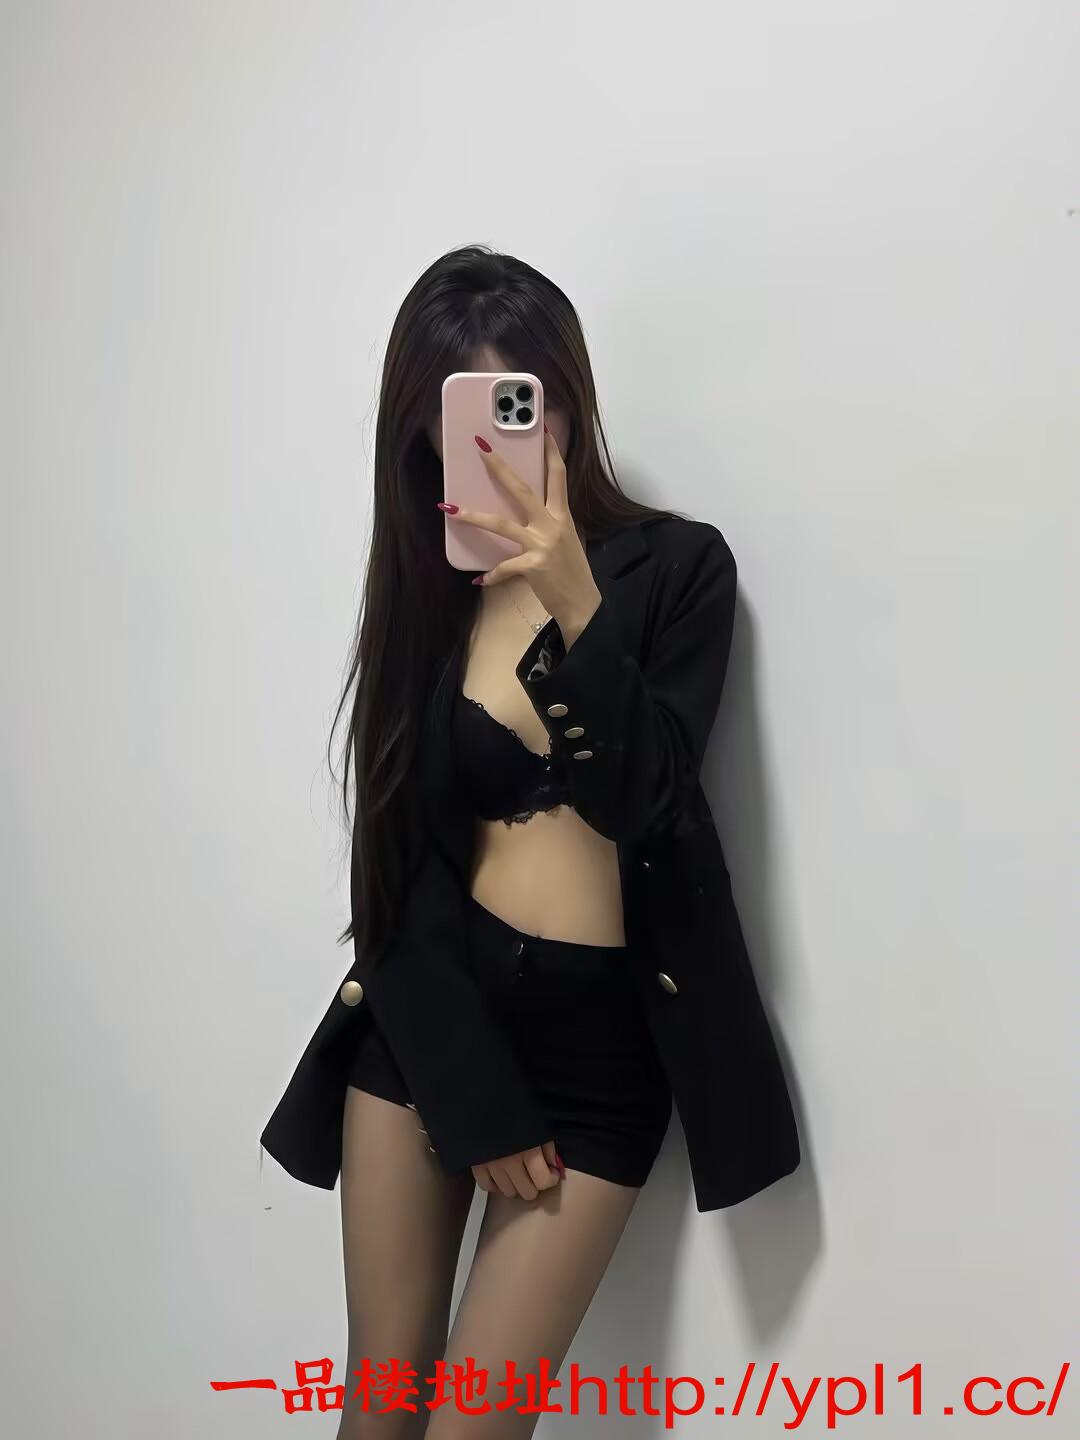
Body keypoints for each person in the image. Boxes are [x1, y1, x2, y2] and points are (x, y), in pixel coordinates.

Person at [260, 244, 800, 1439]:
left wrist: (572, 598)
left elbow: (650, 801)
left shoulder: (678, 568)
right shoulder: (426, 598)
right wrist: (478, 1101)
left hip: (601, 1047)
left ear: (567, 397)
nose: (505, 443)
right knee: (381, 1407)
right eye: (464, 416)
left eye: (525, 404)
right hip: (433, 1017)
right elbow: (393, 869)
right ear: (423, 432)